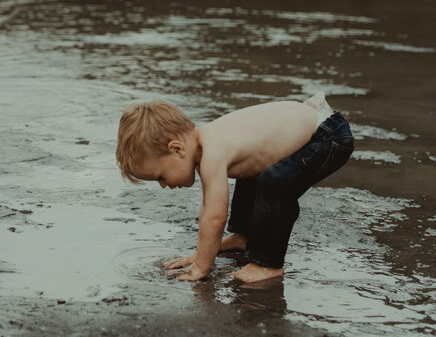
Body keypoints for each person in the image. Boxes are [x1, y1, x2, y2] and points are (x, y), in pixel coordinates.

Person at [115, 92, 353, 283]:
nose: (164, 185)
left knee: (276, 182)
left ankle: (268, 264)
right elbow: (208, 207)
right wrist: (202, 251)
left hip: (327, 137)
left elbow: (215, 216)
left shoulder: (212, 153)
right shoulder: (209, 144)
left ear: (177, 149)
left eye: (160, 176)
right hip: (313, 122)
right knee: (250, 171)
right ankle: (244, 236)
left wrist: (200, 266)